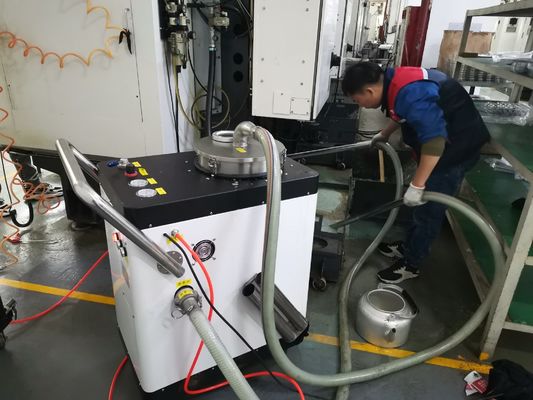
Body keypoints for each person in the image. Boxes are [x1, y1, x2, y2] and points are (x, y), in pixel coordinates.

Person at [342, 62, 490, 284]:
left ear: (369, 91)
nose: (358, 104)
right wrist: (384, 134)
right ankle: (409, 246)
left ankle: (412, 264)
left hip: (454, 150)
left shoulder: (411, 94)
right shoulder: (395, 82)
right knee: (418, 205)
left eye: (357, 100)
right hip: (445, 144)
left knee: (429, 209)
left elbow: (435, 141)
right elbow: (401, 112)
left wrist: (418, 184)